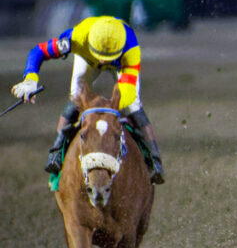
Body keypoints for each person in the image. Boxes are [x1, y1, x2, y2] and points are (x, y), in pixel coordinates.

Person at [10, 15, 165, 184]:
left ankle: (154, 159)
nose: (103, 61)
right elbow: (39, 51)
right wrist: (30, 79)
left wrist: (109, 108)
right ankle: (56, 151)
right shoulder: (77, 37)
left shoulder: (131, 49)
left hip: (120, 63)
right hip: (88, 58)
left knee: (132, 105)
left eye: (107, 58)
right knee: (76, 99)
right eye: (101, 56)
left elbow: (127, 92)